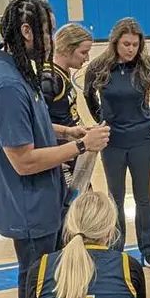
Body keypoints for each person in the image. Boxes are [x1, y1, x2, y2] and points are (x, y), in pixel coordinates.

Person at [0, 0, 110, 298]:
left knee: (46, 274)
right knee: (35, 277)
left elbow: (31, 125)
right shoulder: (7, 84)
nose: (52, 40)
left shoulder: (17, 68)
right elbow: (24, 161)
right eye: (48, 31)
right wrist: (81, 145)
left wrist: (66, 131)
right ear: (26, 31)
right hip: (30, 206)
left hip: (41, 199)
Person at [84, 18, 150, 267]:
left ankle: (148, 249)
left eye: (135, 45)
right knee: (116, 197)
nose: (131, 49)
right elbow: (88, 93)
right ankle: (115, 249)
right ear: (115, 43)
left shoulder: (149, 65)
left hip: (141, 140)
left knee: (143, 196)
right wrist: (100, 117)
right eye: (126, 44)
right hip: (112, 142)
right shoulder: (99, 66)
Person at [41, 23, 93, 188]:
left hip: (73, 149)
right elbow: (38, 124)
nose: (87, 58)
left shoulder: (62, 72)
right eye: (83, 52)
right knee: (77, 201)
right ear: (66, 48)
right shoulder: (49, 80)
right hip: (63, 157)